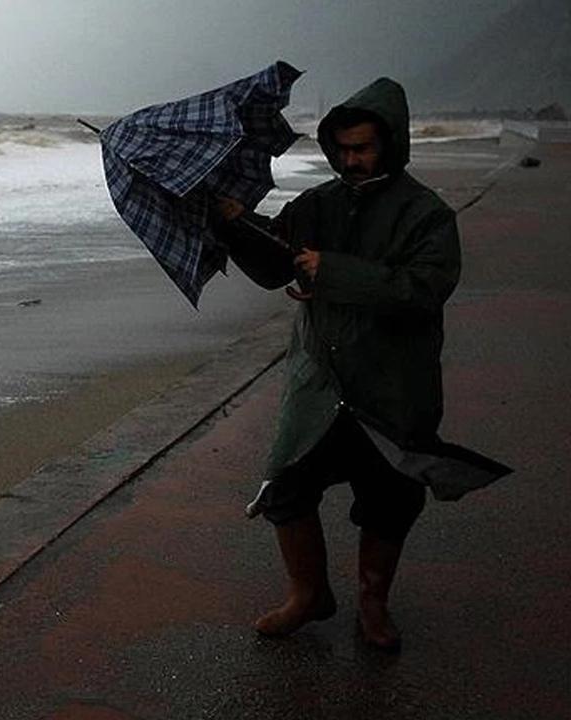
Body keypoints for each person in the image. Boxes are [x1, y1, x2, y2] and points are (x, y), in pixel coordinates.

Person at [214, 77, 461, 652]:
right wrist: (232, 223)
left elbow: (423, 289)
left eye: (363, 149)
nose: (350, 160)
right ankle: (309, 595)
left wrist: (336, 272)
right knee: (286, 487)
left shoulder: (427, 215)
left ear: (392, 144)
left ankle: (373, 603)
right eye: (342, 149)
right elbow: (277, 265)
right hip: (319, 382)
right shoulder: (316, 204)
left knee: (390, 500)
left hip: (392, 385)